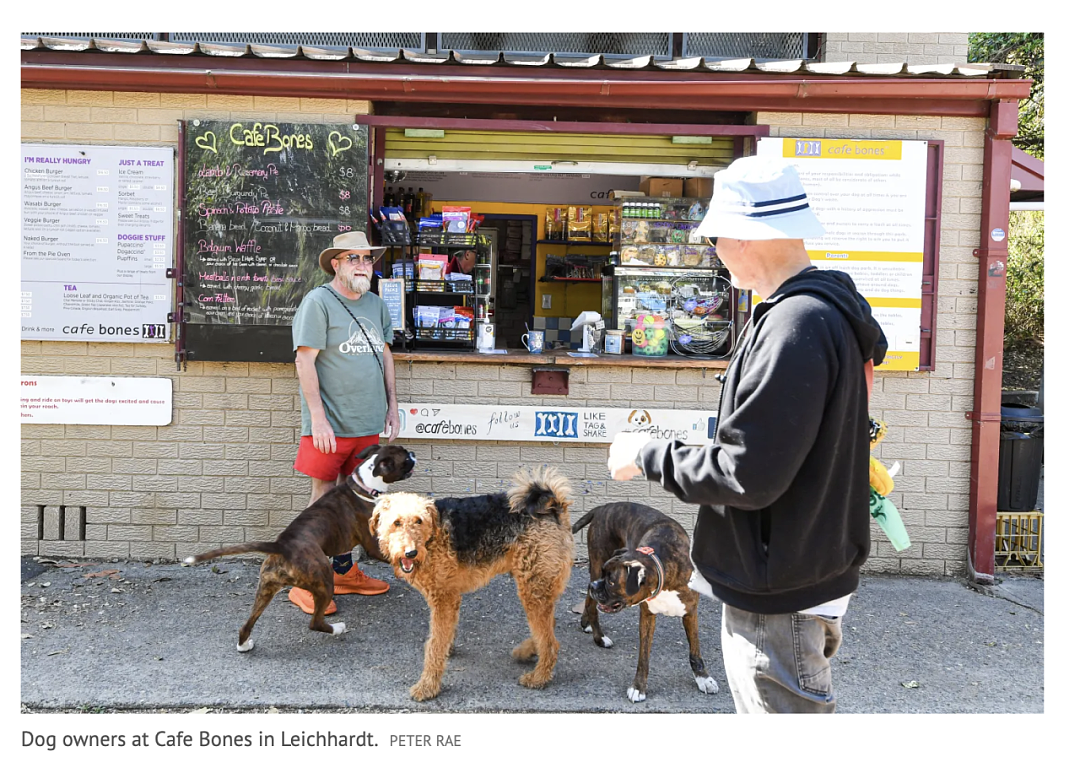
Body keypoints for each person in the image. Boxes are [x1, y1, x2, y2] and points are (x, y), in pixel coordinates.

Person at [607, 156, 887, 713]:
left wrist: (646, 454)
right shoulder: (824, 313)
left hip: (779, 590)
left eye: (714, 236)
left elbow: (747, 472)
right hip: (804, 569)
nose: (712, 247)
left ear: (743, 234)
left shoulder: (795, 324)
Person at [289, 230, 401, 615]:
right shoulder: (318, 302)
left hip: (367, 422)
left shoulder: (375, 304)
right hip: (329, 425)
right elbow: (305, 361)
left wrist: (393, 405)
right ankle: (303, 581)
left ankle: (343, 572)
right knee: (322, 501)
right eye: (352, 258)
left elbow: (385, 354)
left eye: (367, 258)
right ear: (335, 264)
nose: (361, 265)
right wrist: (318, 419)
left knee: (357, 502)